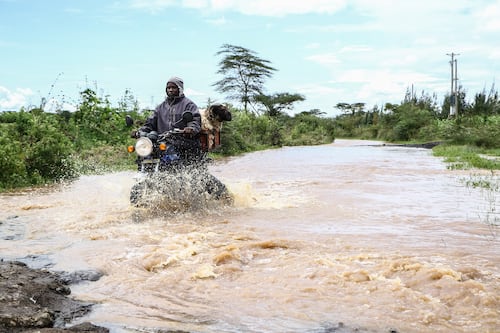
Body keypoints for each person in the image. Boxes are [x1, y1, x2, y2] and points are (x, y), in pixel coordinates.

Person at [136, 76, 203, 163]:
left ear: (180, 89)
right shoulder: (160, 107)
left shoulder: (188, 105)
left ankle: (177, 171)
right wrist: (139, 131)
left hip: (183, 140)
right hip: (162, 140)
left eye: (173, 87)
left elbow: (195, 120)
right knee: (146, 150)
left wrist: (191, 129)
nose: (170, 90)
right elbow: (150, 123)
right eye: (168, 88)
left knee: (171, 153)